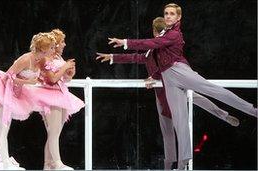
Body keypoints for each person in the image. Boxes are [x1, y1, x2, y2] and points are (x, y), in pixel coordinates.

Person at [105, 3, 257, 169]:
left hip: (179, 70)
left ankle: (252, 110)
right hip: (168, 79)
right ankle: (183, 162)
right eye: (166, 13)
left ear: (178, 18)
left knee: (212, 91)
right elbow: (139, 56)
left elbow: (151, 43)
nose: (168, 16)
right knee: (179, 120)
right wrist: (113, 57)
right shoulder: (157, 45)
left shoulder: (175, 34)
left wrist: (125, 41)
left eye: (172, 14)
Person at [0, 32, 56, 170]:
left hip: (18, 94)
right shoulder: (26, 59)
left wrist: (37, 80)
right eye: (51, 47)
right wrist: (27, 81)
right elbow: (8, 76)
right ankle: (5, 164)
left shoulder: (41, 61)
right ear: (43, 48)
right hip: (5, 91)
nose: (53, 49)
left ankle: (3, 160)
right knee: (2, 131)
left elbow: (44, 76)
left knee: (2, 131)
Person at [29, 29, 85, 170]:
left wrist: (69, 74)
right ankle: (58, 163)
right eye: (62, 42)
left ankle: (49, 165)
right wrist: (65, 67)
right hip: (49, 96)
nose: (64, 44)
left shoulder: (58, 58)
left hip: (60, 94)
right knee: (53, 132)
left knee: (54, 133)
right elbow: (52, 79)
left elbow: (63, 79)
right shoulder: (45, 58)